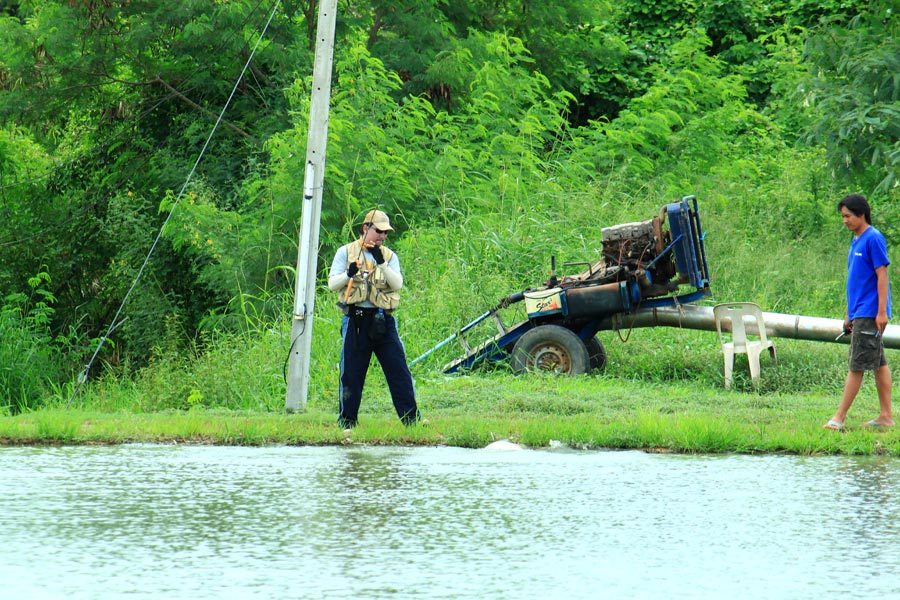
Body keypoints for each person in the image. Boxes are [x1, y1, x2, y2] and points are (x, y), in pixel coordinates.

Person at [328, 209, 421, 429]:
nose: (382, 237)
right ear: (365, 229)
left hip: (383, 321)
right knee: (351, 374)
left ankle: (412, 423)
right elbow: (333, 284)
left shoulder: (389, 256)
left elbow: (397, 284)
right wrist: (348, 274)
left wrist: (382, 264)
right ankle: (347, 424)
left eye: (385, 233)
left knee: (399, 371)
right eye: (378, 231)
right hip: (356, 319)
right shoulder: (345, 252)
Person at [823, 194, 894, 431]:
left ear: (861, 214)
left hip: (870, 312)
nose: (844, 221)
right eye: (842, 216)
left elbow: (881, 275)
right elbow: (857, 281)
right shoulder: (856, 239)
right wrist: (848, 313)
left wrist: (881, 311)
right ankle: (886, 415)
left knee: (856, 365)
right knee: (879, 363)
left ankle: (839, 417)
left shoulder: (873, 238)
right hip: (859, 312)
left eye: (848, 216)